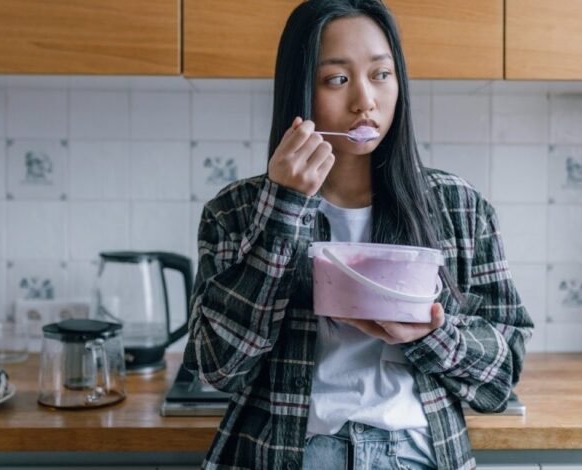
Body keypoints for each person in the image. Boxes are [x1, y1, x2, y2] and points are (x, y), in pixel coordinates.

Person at [183, 0, 534, 468]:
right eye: (338, 79)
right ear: (299, 93)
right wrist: (284, 209)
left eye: (381, 75)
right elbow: (217, 368)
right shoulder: (237, 211)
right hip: (292, 453)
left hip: (416, 453)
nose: (365, 101)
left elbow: (503, 371)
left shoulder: (457, 205)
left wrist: (430, 334)